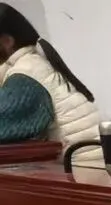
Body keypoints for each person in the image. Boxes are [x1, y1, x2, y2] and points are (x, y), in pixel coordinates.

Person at [0, 3, 98, 147]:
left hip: (78, 160)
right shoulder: (33, 62)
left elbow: (4, 126)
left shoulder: (26, 76)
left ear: (7, 41)